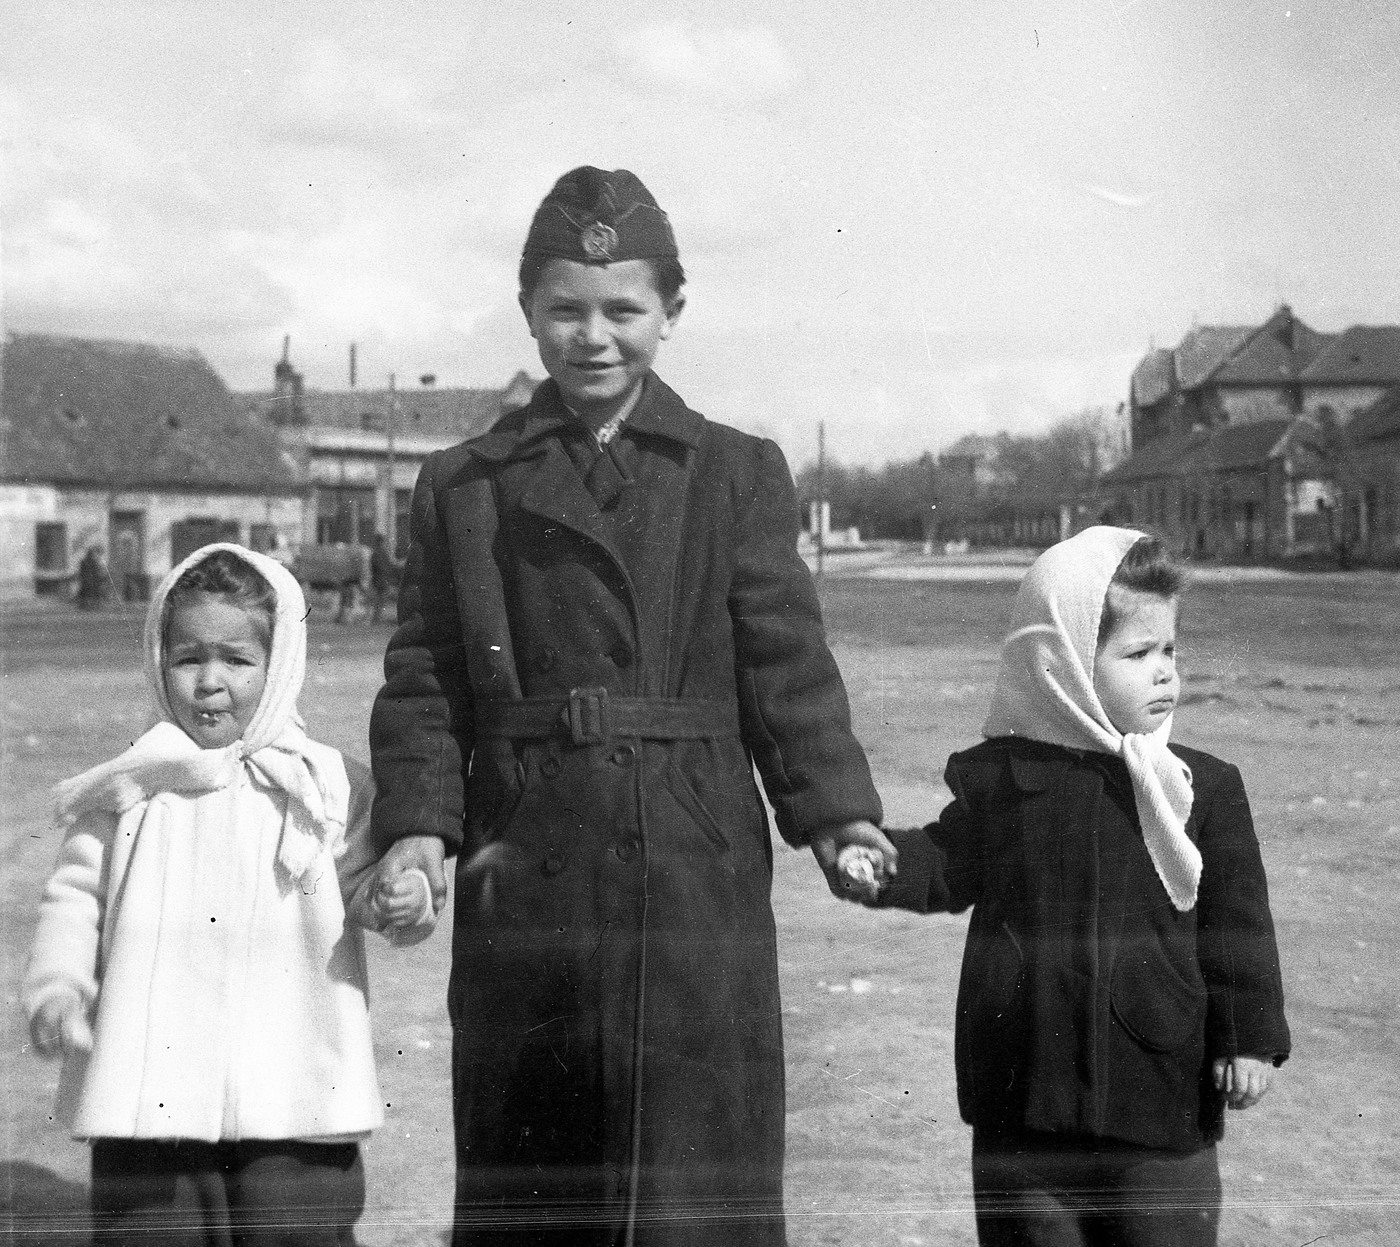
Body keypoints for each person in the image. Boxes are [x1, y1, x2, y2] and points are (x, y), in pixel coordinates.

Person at [364, 166, 894, 1245]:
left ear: (672, 314)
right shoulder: (464, 484)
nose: (592, 336)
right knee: (536, 1148)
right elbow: (426, 673)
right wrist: (418, 830)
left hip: (692, 849)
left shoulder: (735, 472)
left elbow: (784, 657)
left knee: (698, 1159)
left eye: (623, 310)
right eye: (565, 310)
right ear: (527, 313)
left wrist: (836, 812)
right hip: (526, 843)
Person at [844, 527, 1290, 1246]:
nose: (1165, 673)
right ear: (1066, 665)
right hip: (1026, 1102)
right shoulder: (1007, 780)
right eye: (1139, 654)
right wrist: (885, 864)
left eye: (1170, 650)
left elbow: (1238, 927)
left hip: (1159, 1105)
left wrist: (1250, 1040)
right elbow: (947, 859)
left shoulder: (1199, 789)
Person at [23, 543, 408, 1245]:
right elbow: (75, 897)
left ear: (281, 661)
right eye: (188, 658)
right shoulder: (131, 786)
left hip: (292, 1081)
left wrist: (392, 895)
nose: (209, 681)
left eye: (237, 660)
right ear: (156, 659)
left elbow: (368, 880)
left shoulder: (325, 783)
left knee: (298, 1226)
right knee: (150, 1230)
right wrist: (58, 982)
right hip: (154, 1087)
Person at [74, 545, 112, 610]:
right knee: (93, 592)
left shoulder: (84, 561)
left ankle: (85, 605)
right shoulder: (93, 561)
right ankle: (94, 605)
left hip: (87, 580)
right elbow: (96, 571)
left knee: (85, 593)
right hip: (91, 580)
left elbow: (82, 571)